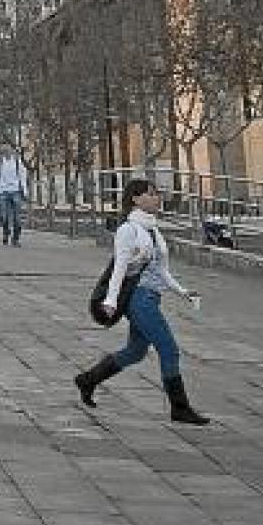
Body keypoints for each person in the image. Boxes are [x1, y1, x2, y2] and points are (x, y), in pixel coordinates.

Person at [74, 178, 209, 425]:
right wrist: (112, 301)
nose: (157, 198)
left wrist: (183, 291)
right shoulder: (128, 230)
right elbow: (119, 268)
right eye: (150, 194)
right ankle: (179, 407)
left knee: (136, 351)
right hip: (138, 298)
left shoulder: (153, 230)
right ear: (135, 199)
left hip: (152, 297)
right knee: (169, 349)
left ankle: (88, 379)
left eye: (157, 194)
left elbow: (161, 271)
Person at [0, 140, 30, 246]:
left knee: (17, 217)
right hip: (3, 192)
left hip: (15, 191)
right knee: (4, 216)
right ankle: (5, 232)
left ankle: (16, 238)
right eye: (4, 149)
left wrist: (25, 191)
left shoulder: (17, 162)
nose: (6, 151)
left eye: (8, 148)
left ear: (12, 149)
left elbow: (23, 176)